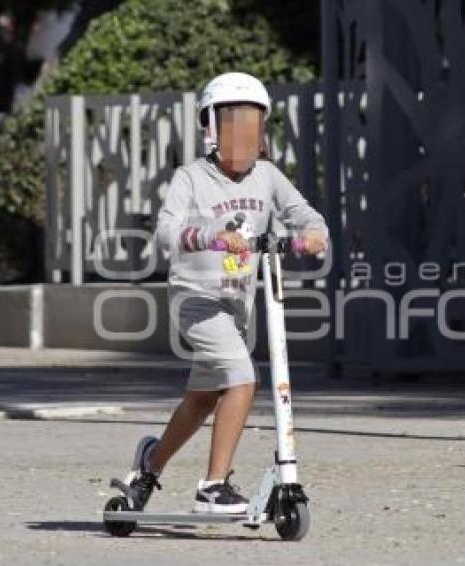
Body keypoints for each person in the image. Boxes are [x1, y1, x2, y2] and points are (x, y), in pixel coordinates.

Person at [120, 72, 328, 514]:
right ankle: (212, 487)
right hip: (197, 299)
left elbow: (304, 213)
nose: (243, 134)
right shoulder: (191, 177)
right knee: (242, 379)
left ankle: (148, 468)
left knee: (202, 399)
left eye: (252, 124)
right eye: (233, 122)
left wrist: (313, 232)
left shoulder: (268, 177)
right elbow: (165, 232)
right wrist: (214, 235)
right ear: (212, 128)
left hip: (237, 305)